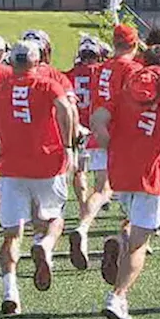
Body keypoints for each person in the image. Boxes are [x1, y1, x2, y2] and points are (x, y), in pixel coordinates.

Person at [91, 34, 160, 319]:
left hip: (122, 173)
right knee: (140, 242)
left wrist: (110, 144)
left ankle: (119, 240)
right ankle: (118, 297)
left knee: (134, 228)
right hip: (154, 177)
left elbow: (98, 119)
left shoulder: (125, 93)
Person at [0, 40, 78, 315]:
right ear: (37, 62)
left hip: (11, 168)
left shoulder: (0, 91)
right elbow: (65, 109)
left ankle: (10, 292)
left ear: (11, 62)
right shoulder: (48, 85)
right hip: (47, 162)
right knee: (53, 219)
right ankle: (44, 246)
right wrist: (68, 144)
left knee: (11, 234)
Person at [70, 24, 142, 265]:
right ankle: (130, 237)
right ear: (134, 43)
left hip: (97, 131)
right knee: (139, 190)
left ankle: (82, 227)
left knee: (101, 189)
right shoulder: (132, 68)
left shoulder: (102, 68)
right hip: (122, 134)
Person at [68, 35, 105, 209]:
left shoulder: (70, 75)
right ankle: (95, 203)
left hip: (78, 127)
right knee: (101, 173)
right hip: (99, 125)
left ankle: (84, 205)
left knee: (80, 170)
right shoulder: (103, 72)